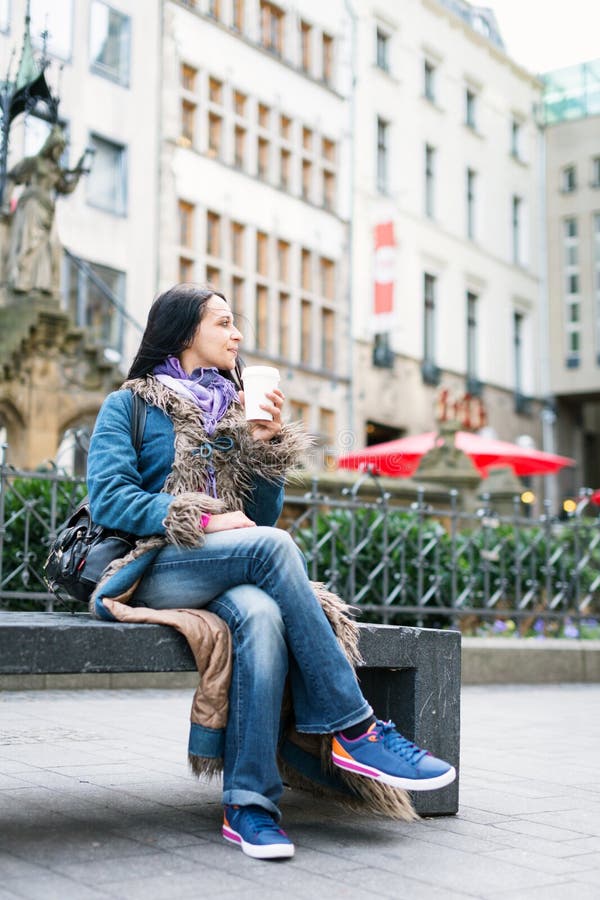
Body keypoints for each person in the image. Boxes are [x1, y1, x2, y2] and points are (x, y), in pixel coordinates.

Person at [87, 284, 455, 861]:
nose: (237, 336)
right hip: (154, 566)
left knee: (261, 613)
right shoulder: (129, 406)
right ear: (185, 333)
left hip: (230, 570)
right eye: (224, 323)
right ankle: (355, 729)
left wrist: (262, 450)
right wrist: (200, 515)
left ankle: (249, 807)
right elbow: (109, 500)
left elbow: (257, 521)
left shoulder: (236, 411)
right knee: (276, 549)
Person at [3, 125, 87, 295]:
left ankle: (43, 285)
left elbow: (65, 187)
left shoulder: (55, 170)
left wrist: (78, 175)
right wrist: (5, 203)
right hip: (31, 206)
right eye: (58, 148)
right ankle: (23, 281)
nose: (60, 152)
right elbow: (13, 177)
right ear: (51, 146)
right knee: (30, 244)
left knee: (52, 246)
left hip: (48, 210)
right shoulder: (35, 162)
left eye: (62, 149)